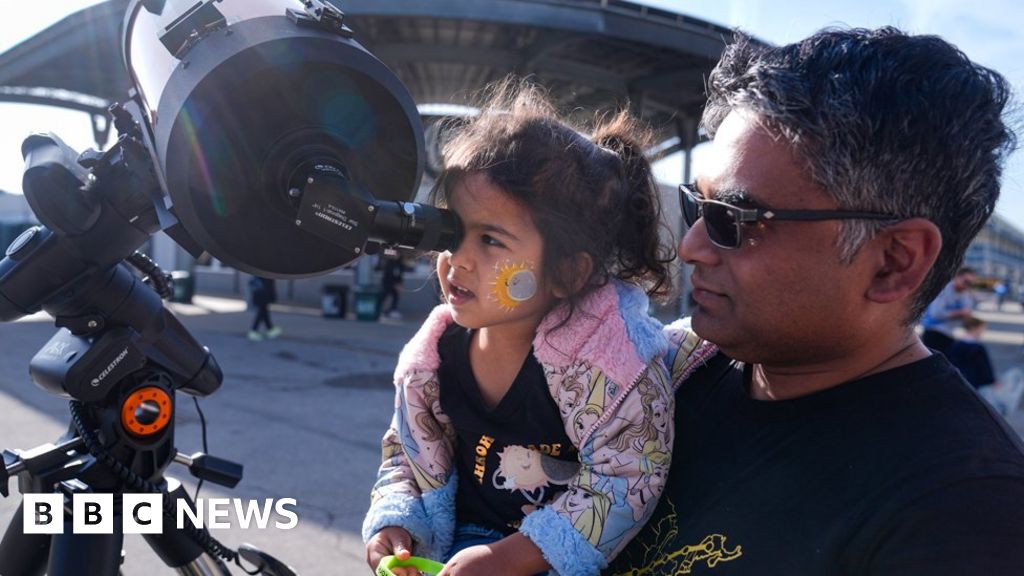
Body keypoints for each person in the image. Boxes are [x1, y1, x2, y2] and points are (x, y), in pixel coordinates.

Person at [608, 27, 1024, 574]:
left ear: (894, 261)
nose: (691, 247)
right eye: (695, 206)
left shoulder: (961, 510)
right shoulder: (673, 374)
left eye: (732, 219)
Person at [362, 79, 711, 576]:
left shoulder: (611, 370)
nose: (457, 259)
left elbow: (628, 479)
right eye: (454, 232)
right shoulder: (434, 360)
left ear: (569, 273)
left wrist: (509, 558)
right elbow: (405, 457)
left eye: (490, 240)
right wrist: (396, 525)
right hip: (454, 552)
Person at [920, 266, 977, 355]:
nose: (967, 286)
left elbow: (966, 319)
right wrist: (961, 312)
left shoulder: (965, 295)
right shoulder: (943, 290)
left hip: (949, 334)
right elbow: (936, 314)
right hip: (933, 332)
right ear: (957, 277)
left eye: (970, 284)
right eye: (966, 282)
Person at [947, 316, 997, 389]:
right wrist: (991, 380)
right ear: (974, 328)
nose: (983, 331)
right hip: (975, 380)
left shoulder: (956, 345)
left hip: (960, 378)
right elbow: (984, 365)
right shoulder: (978, 347)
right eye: (981, 328)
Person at [247, 276, 280, 341]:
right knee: (261, 313)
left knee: (264, 313)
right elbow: (269, 286)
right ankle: (254, 330)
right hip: (263, 296)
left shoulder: (258, 274)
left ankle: (270, 329)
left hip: (260, 295)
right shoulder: (266, 274)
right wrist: (272, 297)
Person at [379, 253, 410, 320]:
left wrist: (399, 284)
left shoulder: (400, 264)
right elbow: (388, 274)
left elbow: (400, 275)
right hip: (388, 283)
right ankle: (381, 311)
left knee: (395, 296)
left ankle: (393, 310)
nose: (396, 256)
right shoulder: (389, 263)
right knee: (384, 296)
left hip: (396, 284)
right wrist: (394, 284)